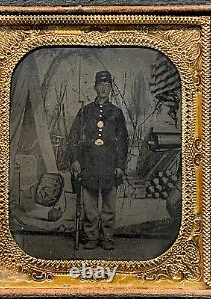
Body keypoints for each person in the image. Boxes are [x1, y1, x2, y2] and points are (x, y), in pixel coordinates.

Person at [68, 70, 128, 250]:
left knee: (109, 205)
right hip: (89, 163)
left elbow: (123, 141)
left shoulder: (116, 113)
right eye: (100, 85)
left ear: (110, 88)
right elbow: (73, 138)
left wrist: (120, 165)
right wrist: (75, 161)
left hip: (110, 164)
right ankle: (91, 236)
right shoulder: (85, 111)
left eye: (107, 85)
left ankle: (107, 237)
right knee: (90, 205)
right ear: (95, 87)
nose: (103, 88)